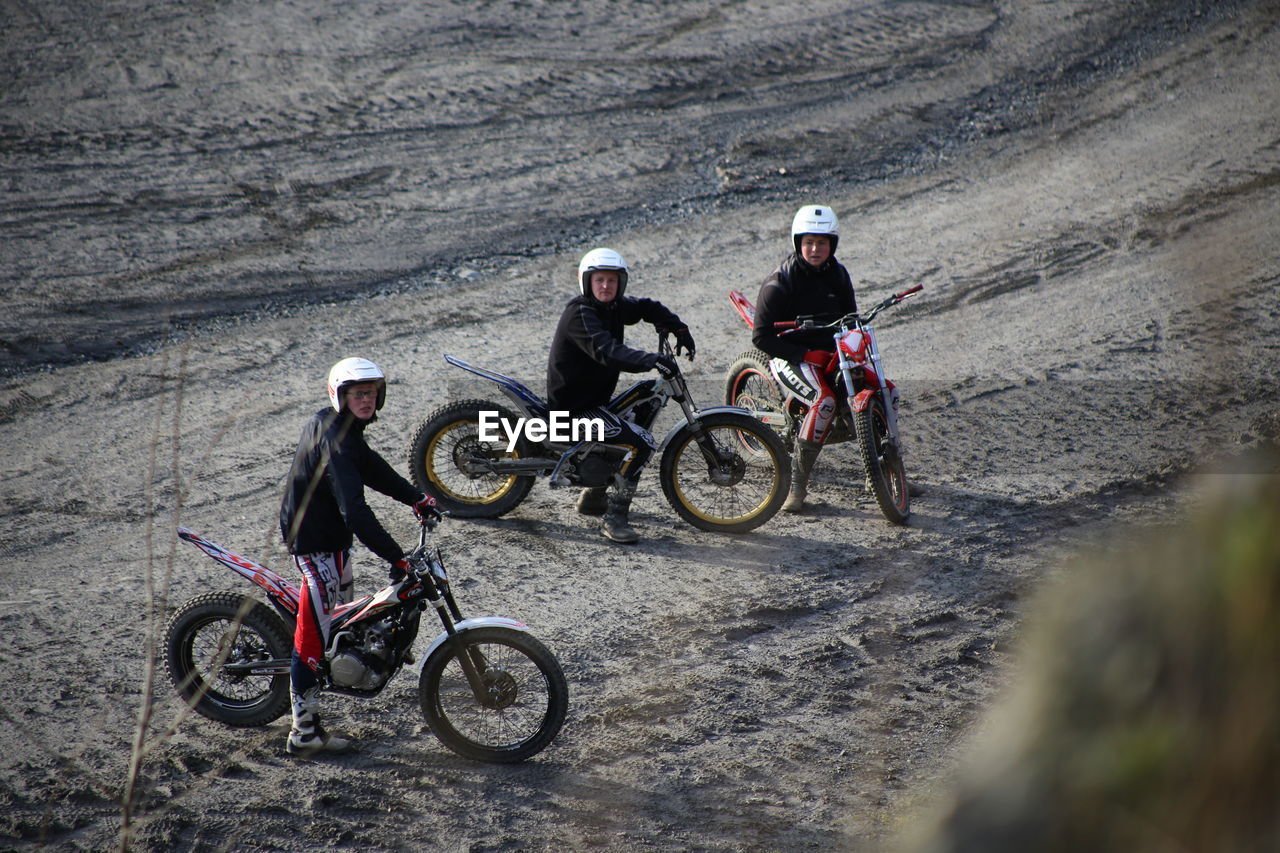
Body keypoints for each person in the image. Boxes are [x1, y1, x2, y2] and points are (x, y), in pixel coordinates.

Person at [278, 356, 438, 756]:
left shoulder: (344, 430)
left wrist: (414, 496)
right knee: (312, 636)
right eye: (358, 394)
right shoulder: (336, 439)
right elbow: (355, 509)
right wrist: (396, 556)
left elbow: (371, 467)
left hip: (333, 538)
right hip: (314, 544)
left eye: (371, 393)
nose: (367, 400)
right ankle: (303, 731)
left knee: (340, 620)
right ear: (340, 396)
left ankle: (341, 668)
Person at [546, 247, 695, 544]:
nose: (605, 286)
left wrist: (678, 327)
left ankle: (593, 496)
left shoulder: (613, 307)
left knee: (642, 406)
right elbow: (608, 351)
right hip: (573, 410)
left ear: (620, 284)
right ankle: (614, 517)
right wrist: (651, 360)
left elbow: (645, 307)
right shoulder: (580, 313)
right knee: (640, 442)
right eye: (599, 280)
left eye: (612, 281)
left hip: (593, 402)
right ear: (587, 282)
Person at [751, 205, 858, 513]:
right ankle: (796, 487)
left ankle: (888, 471)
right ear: (798, 242)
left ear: (832, 245)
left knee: (882, 390)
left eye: (822, 242)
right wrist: (804, 353)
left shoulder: (838, 274)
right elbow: (761, 338)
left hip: (829, 352)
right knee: (824, 401)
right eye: (809, 242)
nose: (815, 249)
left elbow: (851, 319)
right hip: (790, 354)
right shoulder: (779, 282)